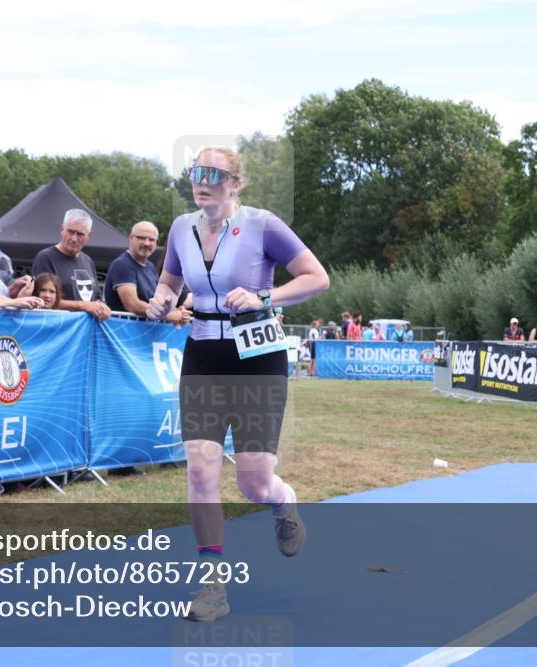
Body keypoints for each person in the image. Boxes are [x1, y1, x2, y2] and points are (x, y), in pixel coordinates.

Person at [146, 147, 329, 622]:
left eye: (213, 174)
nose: (201, 181)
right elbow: (169, 280)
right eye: (195, 172)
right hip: (203, 354)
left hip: (257, 356)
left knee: (252, 481)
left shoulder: (263, 224)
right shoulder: (181, 228)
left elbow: (317, 277)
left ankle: (282, 500)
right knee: (201, 469)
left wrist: (265, 294)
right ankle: (213, 587)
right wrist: (161, 300)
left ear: (236, 182)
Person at [104, 221, 191, 325]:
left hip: (145, 335)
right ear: (130, 238)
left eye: (151, 239)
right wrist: (169, 315)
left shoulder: (150, 267)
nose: (146, 243)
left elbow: (157, 302)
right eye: (141, 238)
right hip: (124, 335)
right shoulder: (122, 265)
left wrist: (177, 311)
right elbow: (132, 304)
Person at [32, 208, 110, 320]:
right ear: (62, 229)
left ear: (89, 235)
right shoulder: (45, 257)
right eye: (70, 232)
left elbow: (96, 297)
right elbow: (40, 300)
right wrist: (83, 306)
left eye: (80, 234)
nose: (74, 238)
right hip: (57, 328)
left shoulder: (88, 261)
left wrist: (102, 307)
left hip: (84, 331)